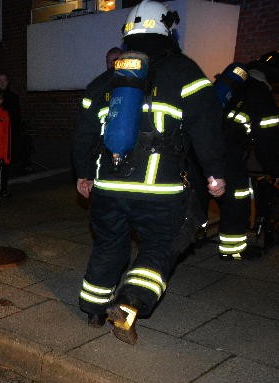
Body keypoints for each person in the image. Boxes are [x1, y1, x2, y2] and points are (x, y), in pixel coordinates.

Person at [72, 0, 227, 345]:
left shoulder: (102, 81)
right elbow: (207, 127)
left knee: (109, 243)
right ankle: (130, 302)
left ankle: (94, 309)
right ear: (167, 31)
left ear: (128, 34)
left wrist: (83, 173)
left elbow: (83, 133)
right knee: (161, 244)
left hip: (107, 185)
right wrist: (215, 172)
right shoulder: (185, 72)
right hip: (159, 188)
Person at [211, 51, 279, 259]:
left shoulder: (232, 84)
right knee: (236, 196)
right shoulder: (261, 93)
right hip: (228, 150)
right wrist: (276, 169)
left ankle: (189, 237)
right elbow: (268, 139)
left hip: (201, 145)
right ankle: (232, 249)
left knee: (199, 191)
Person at [0, 72, 21, 197]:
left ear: (8, 81)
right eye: (0, 80)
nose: (2, 82)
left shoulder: (13, 97)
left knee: (5, 164)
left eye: (4, 80)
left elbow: (16, 118)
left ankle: (3, 189)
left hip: (7, 137)